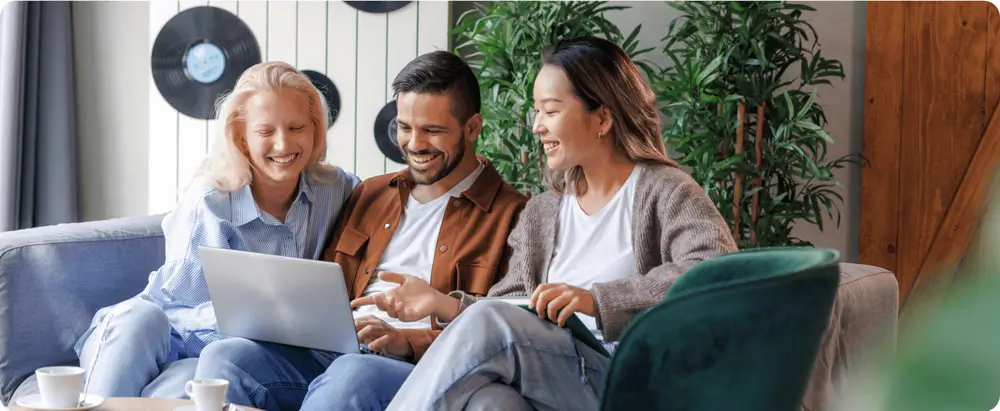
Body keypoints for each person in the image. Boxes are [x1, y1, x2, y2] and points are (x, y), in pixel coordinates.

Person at [348, 35, 739, 411]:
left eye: (550, 111)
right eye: (537, 111)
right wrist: (443, 305)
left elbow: (715, 276)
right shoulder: (544, 211)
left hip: (632, 382)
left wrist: (595, 300)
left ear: (602, 117)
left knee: (490, 330)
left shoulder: (666, 191)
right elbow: (508, 306)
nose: (537, 125)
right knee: (491, 403)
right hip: (557, 380)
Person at [192, 50, 530, 411]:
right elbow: (323, 285)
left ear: (473, 127)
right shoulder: (370, 192)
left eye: (432, 130)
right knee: (226, 357)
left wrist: (406, 341)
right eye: (404, 127)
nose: (414, 144)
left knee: (353, 374)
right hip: (333, 350)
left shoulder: (514, 214)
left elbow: (506, 331)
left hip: (418, 365)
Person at [72, 61, 360, 399]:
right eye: (266, 132)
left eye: (297, 127)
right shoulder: (209, 200)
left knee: (196, 382)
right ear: (241, 136)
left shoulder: (338, 189)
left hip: (229, 356)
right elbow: (177, 309)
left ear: (315, 129)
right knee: (140, 319)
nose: (283, 145)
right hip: (162, 335)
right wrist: (261, 320)